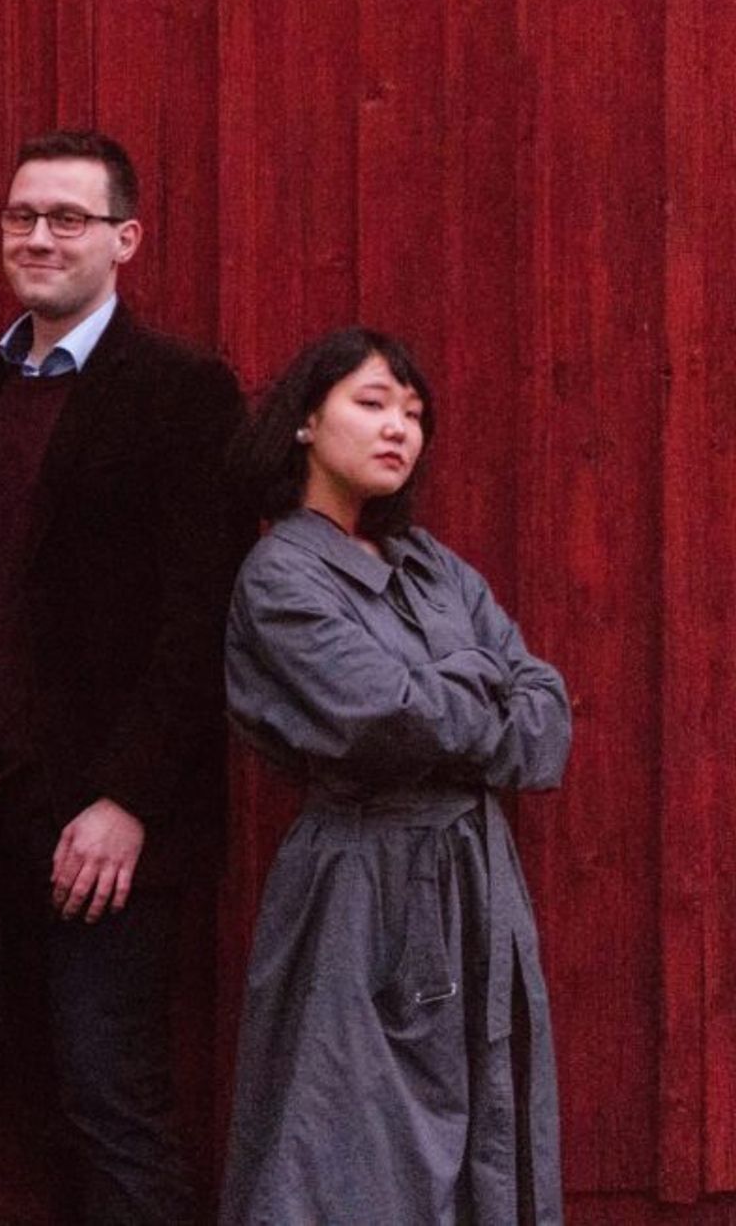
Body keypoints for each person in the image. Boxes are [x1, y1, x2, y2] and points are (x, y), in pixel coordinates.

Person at [0, 129, 246, 1223]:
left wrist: (127, 802)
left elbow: (202, 617)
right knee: (37, 1099)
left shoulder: (184, 389)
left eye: (67, 217)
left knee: (115, 1097)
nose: (38, 236)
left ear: (125, 238)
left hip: (113, 828)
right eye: (22, 215)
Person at [218, 327, 569, 1223]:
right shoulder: (282, 574)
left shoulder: (434, 567)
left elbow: (545, 717)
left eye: (413, 415)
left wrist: (454, 696)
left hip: (477, 886)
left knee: (484, 1142)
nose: (397, 431)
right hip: (362, 889)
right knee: (351, 1148)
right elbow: (386, 716)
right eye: (372, 404)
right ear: (305, 420)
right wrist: (472, 687)